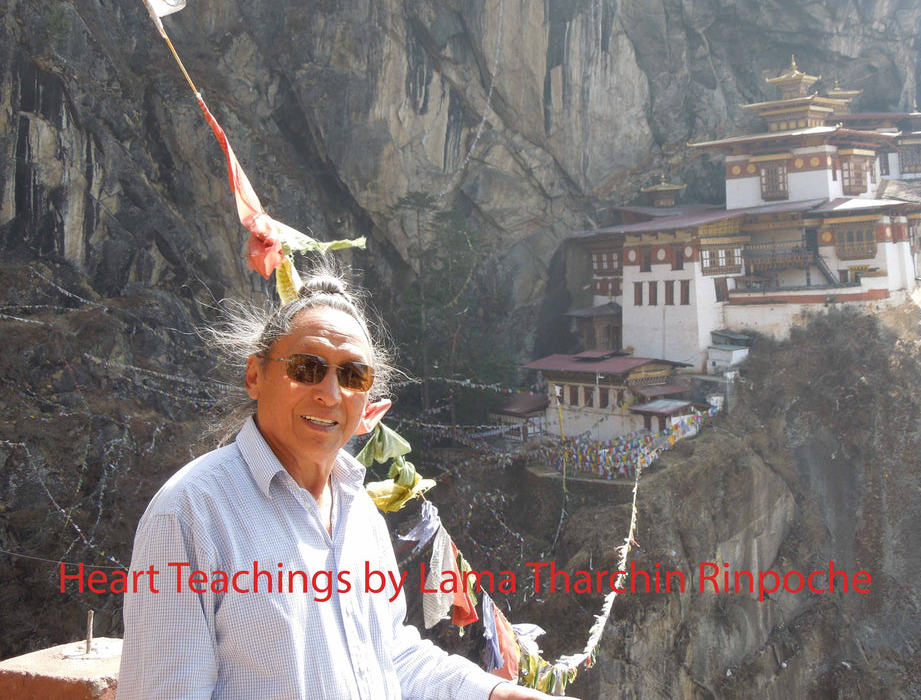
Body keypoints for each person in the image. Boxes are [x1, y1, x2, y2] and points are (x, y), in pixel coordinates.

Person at [118, 267, 577, 699]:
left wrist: (493, 692)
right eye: (306, 367)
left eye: (353, 375)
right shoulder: (191, 514)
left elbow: (387, 654)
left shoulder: (360, 513)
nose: (331, 393)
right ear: (256, 375)